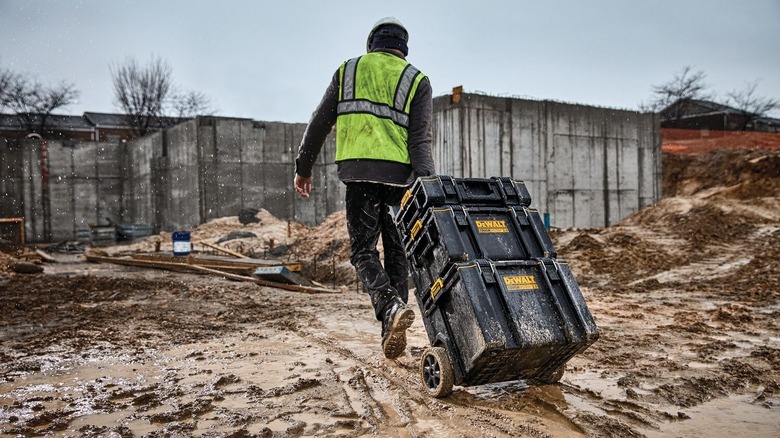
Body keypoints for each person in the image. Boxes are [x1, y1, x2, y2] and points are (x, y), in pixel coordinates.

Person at [294, 17, 435, 359]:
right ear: (403, 48)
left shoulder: (348, 71)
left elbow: (320, 121)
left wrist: (303, 167)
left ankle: (389, 309)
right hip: (400, 180)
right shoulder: (416, 79)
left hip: (358, 174)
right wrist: (428, 185)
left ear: (372, 43)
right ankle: (393, 318)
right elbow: (419, 140)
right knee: (398, 253)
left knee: (363, 251)